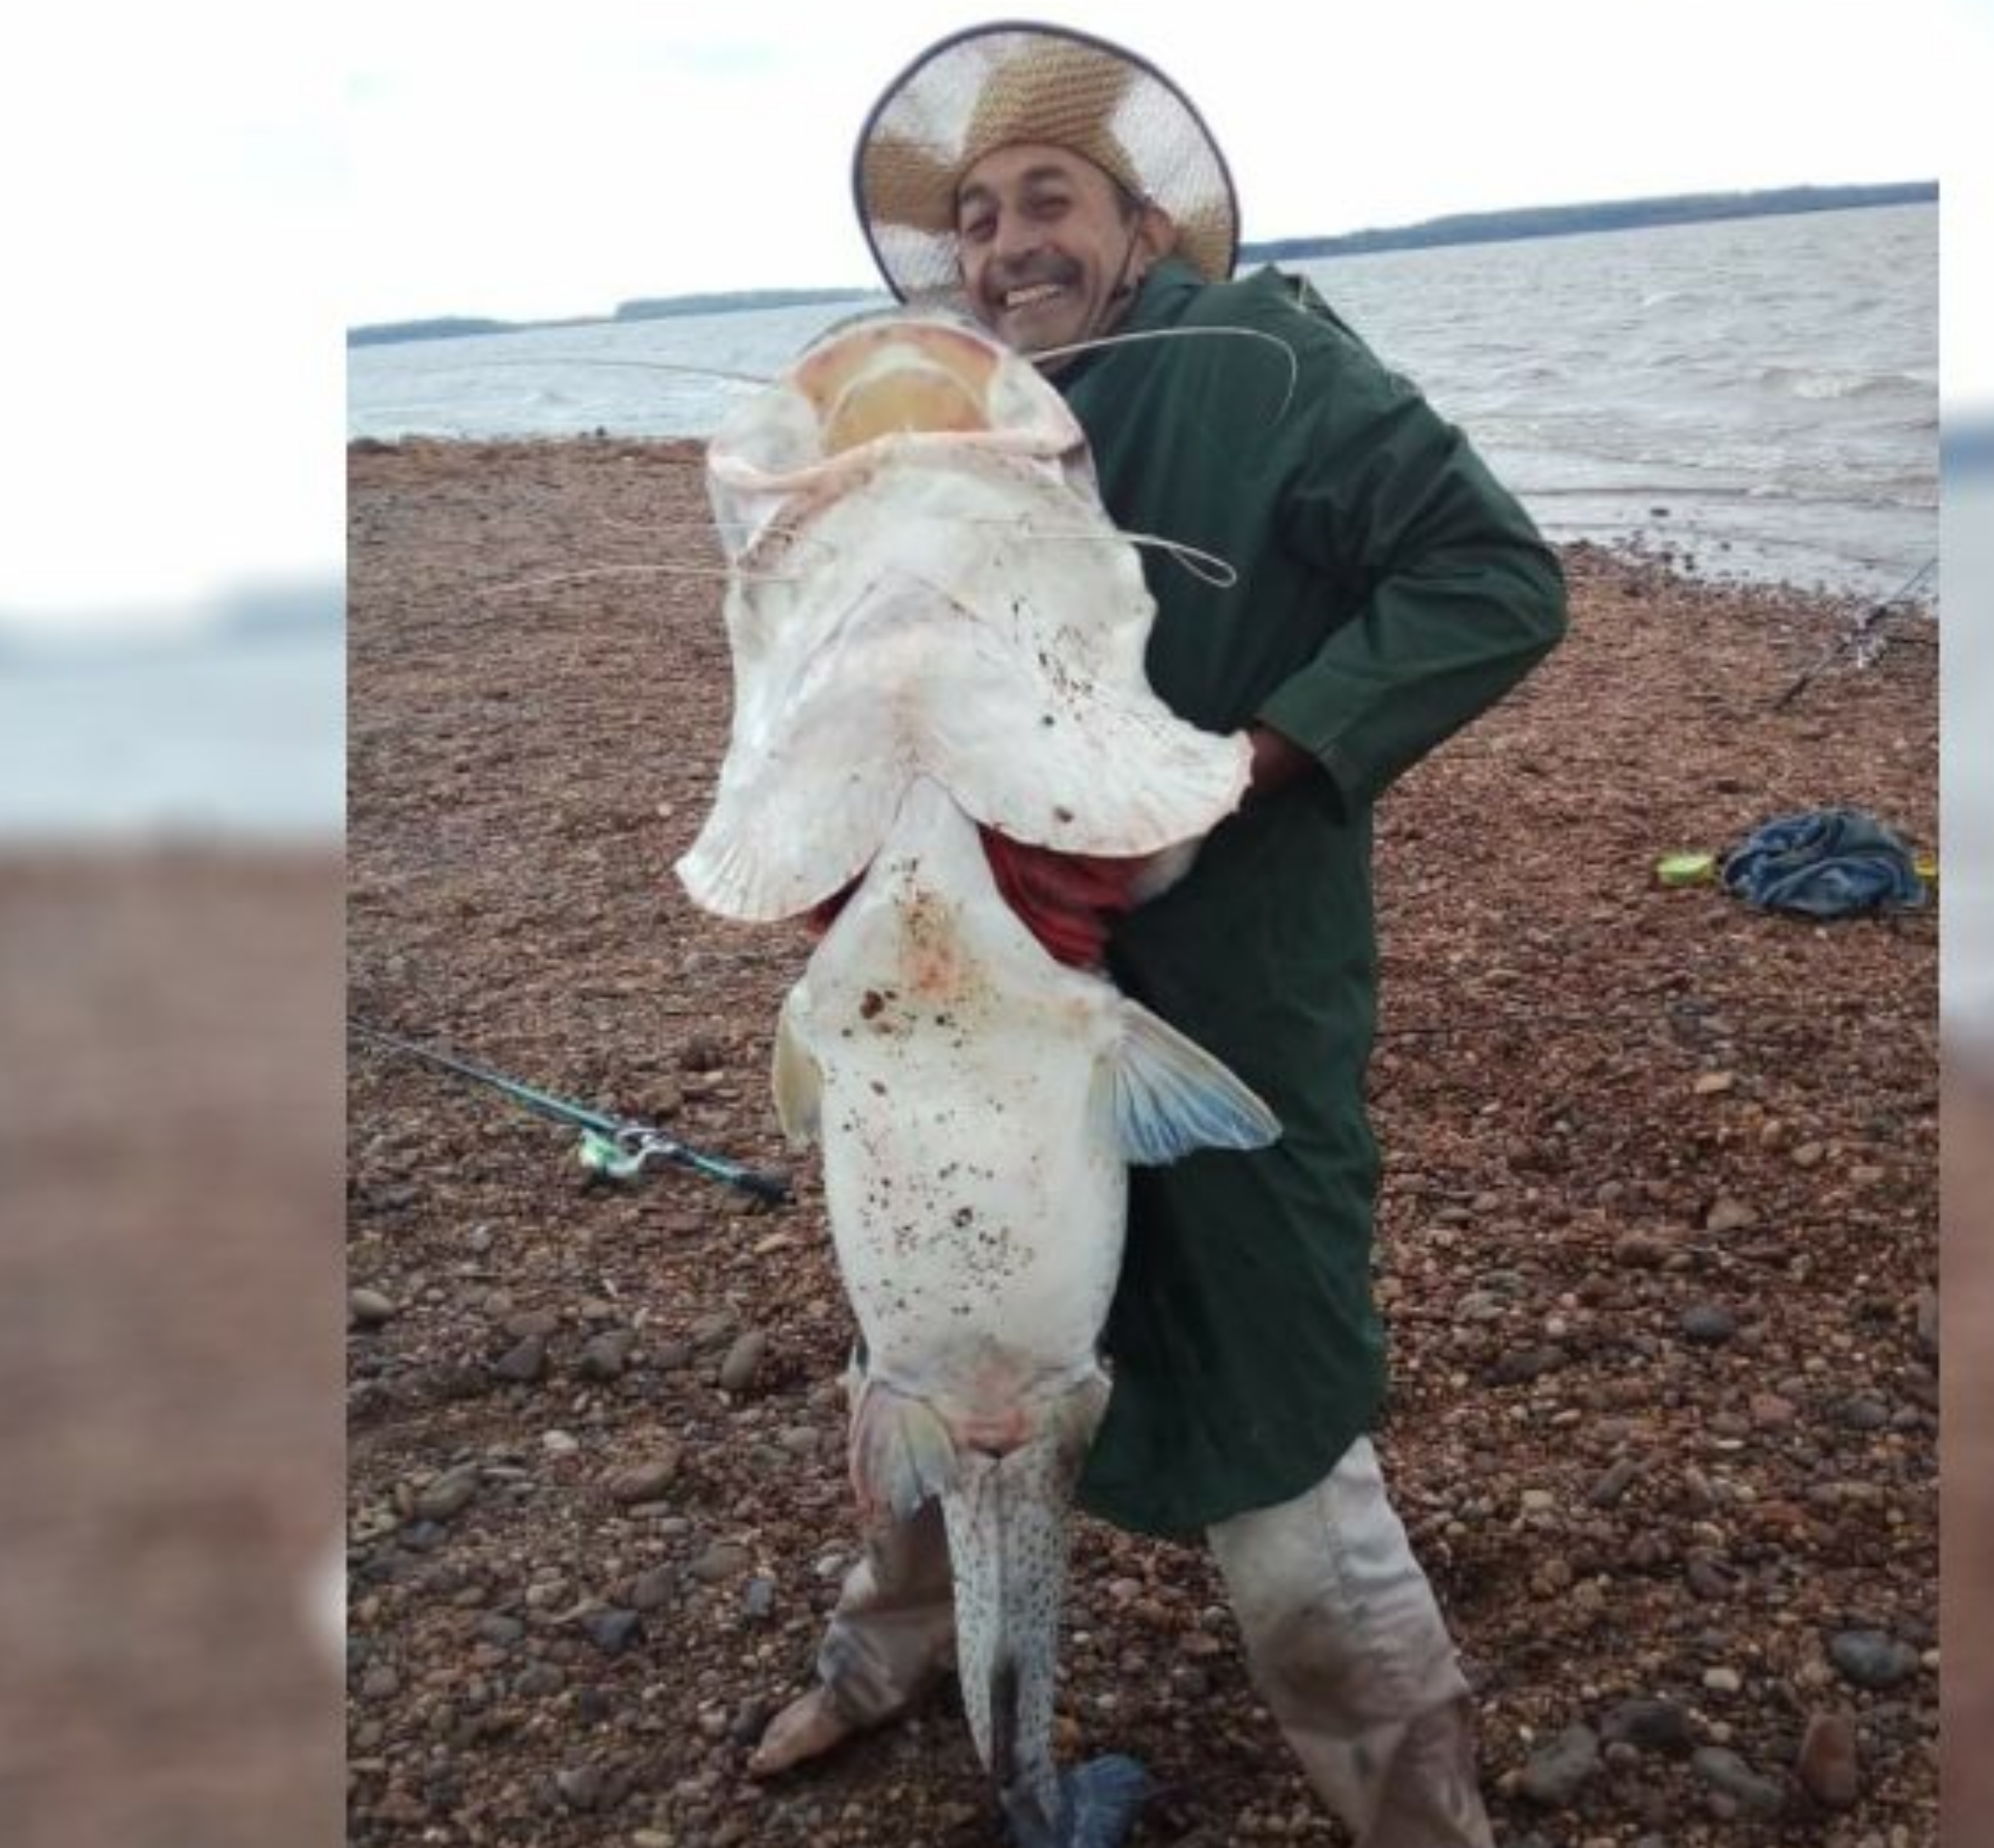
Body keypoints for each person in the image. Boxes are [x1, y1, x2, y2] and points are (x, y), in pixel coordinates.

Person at [746, 22, 1567, 1846]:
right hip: (954, 996)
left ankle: (1404, 1792)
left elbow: (1495, 581)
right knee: (935, 1338)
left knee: (1270, 1392)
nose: (1008, 239)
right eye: (975, 213)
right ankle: (880, 1665)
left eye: (1051, 199)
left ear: (1139, 227)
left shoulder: (1265, 361)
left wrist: (1260, 761)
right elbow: (841, 665)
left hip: (1225, 984)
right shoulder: (945, 415)